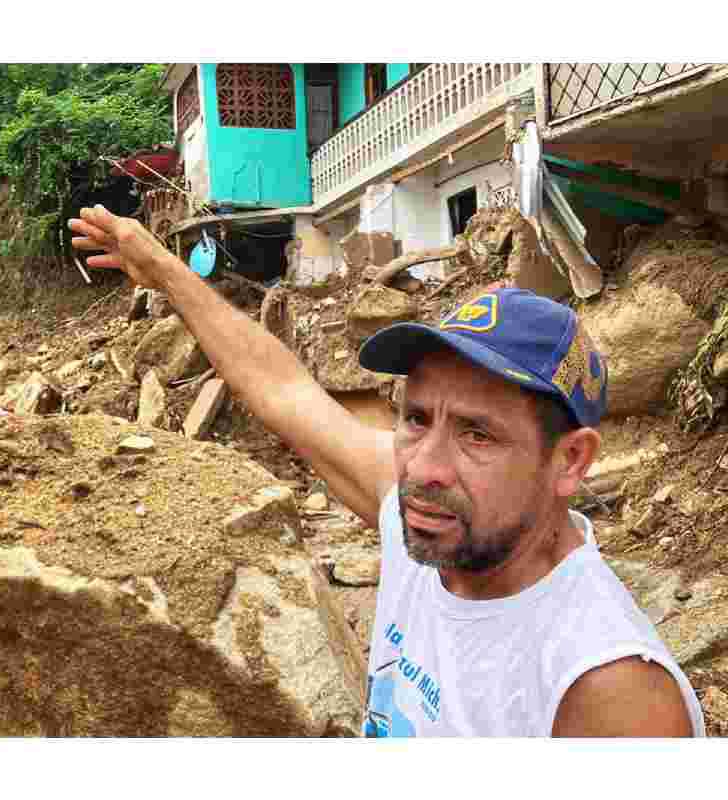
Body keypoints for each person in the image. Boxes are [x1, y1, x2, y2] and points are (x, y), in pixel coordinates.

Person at [69, 204, 704, 737]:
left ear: (569, 461)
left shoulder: (609, 689)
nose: (424, 467)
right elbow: (285, 391)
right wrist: (164, 271)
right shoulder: (429, 519)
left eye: (477, 434)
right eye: (418, 418)